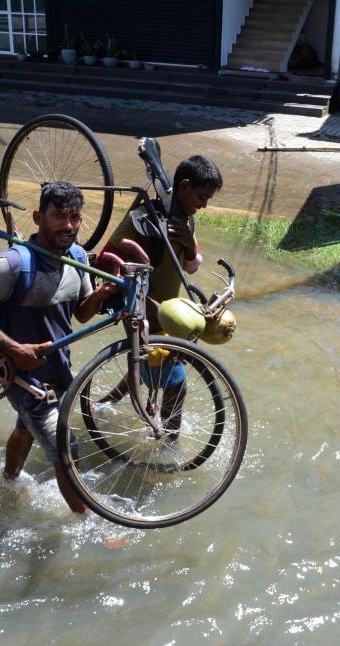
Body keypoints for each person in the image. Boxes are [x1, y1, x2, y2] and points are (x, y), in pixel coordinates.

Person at [0, 180, 119, 514]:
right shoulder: (15, 263)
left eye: (74, 218)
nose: (68, 225)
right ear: (39, 216)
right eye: (59, 216)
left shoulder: (76, 257)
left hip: (56, 369)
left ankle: (8, 481)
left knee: (25, 427)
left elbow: (81, 312)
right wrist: (14, 349)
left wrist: (101, 294)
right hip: (21, 373)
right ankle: (92, 525)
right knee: (65, 448)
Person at [94, 154, 223, 435]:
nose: (203, 205)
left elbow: (189, 268)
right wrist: (136, 292)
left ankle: (102, 404)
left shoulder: (185, 222)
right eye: (202, 197)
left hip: (167, 311)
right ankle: (167, 443)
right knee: (176, 382)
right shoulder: (143, 218)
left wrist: (189, 245)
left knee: (151, 364)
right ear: (184, 186)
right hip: (142, 308)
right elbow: (106, 260)